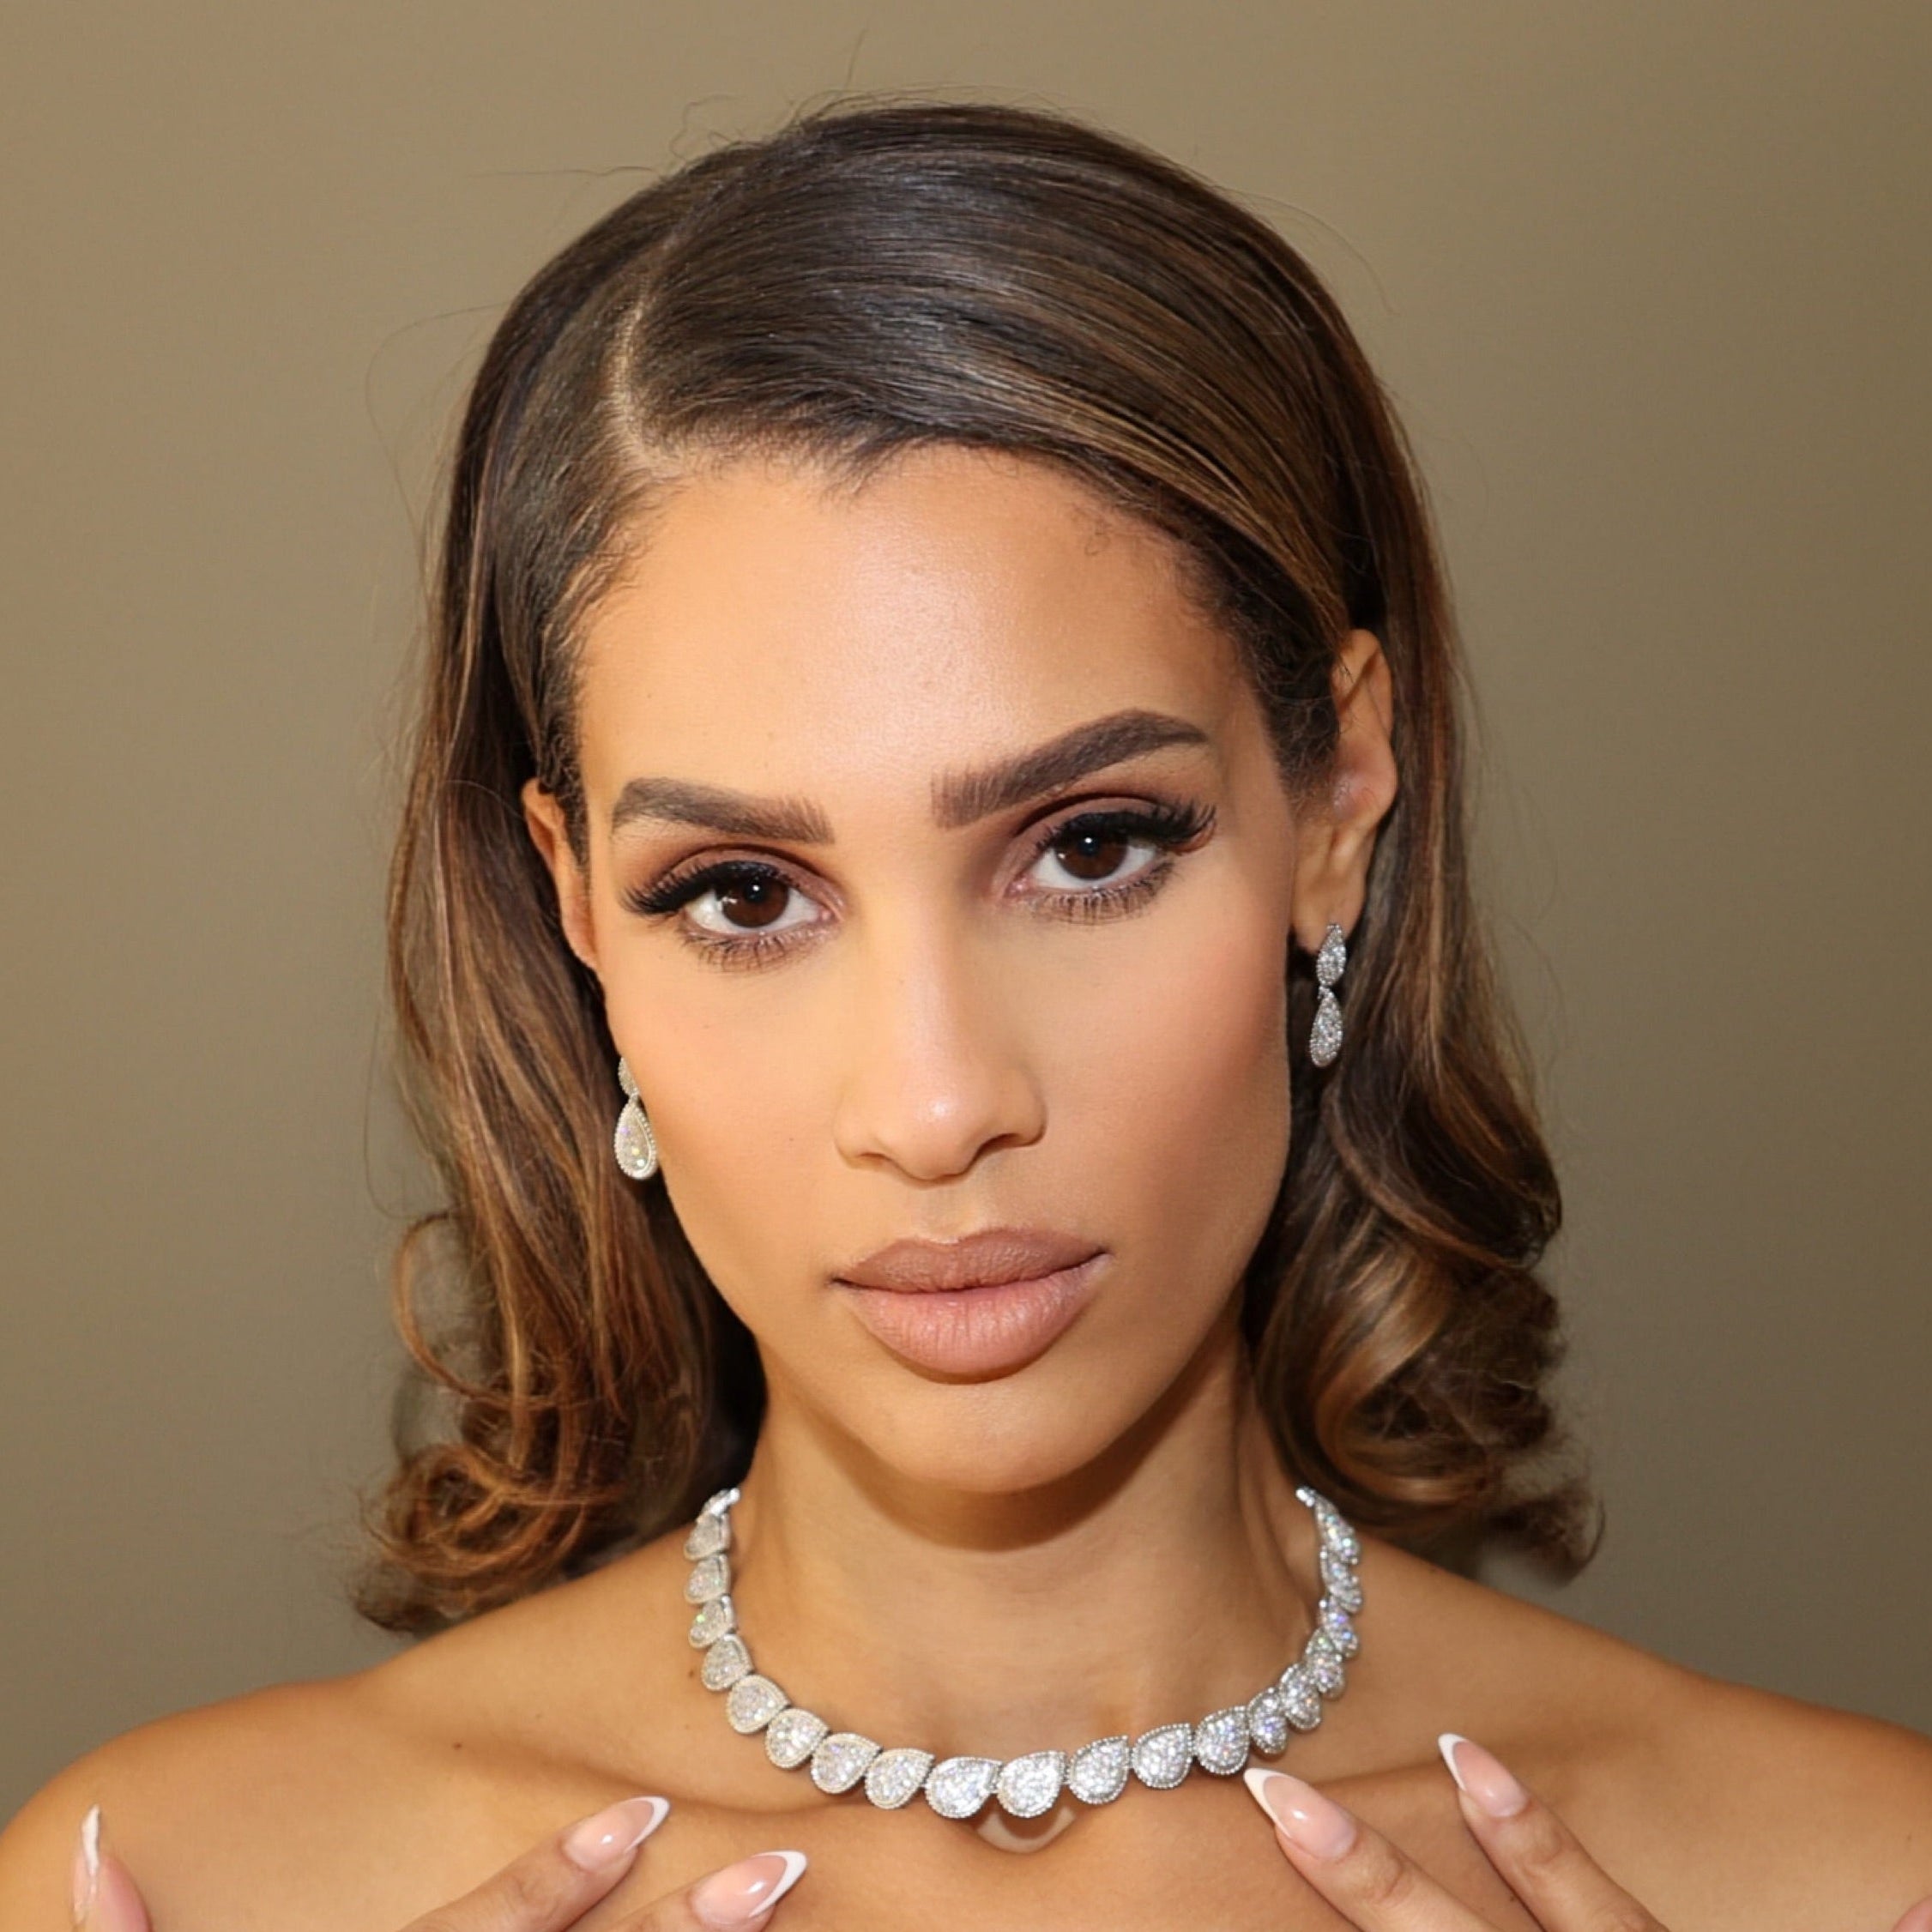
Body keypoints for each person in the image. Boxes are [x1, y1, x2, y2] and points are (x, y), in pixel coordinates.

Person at [3, 95, 1928, 1932]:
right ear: (577, 910)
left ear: (1340, 793)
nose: (933, 1107)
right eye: (742, 895)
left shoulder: (1837, 1876)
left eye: (1088, 847)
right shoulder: (187, 1884)